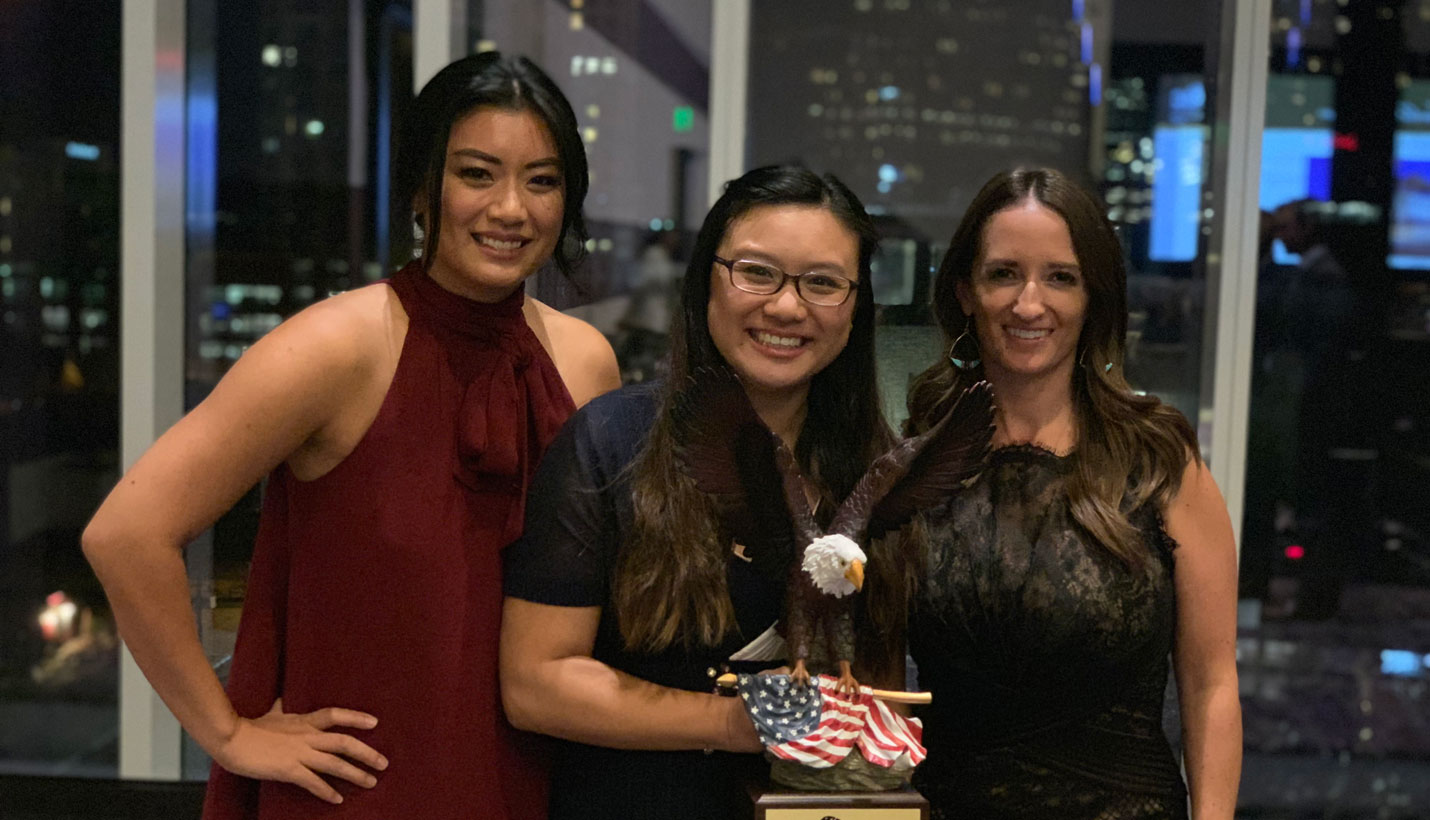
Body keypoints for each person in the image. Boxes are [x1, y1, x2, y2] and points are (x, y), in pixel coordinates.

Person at [80, 52, 619, 819]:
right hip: (360, 786)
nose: (511, 209)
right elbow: (127, 533)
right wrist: (229, 735)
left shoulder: (583, 359)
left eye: (542, 180)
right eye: (476, 174)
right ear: (419, 191)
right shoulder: (337, 345)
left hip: (538, 777)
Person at [500, 165, 909, 819]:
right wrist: (732, 723)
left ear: (857, 306)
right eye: (756, 272)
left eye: (823, 283)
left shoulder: (871, 471)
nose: (785, 306)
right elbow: (535, 683)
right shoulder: (609, 444)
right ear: (705, 281)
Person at [903, 167, 1241, 819]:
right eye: (1004, 273)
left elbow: (1211, 686)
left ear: (1094, 298)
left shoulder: (1160, 457)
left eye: (1061, 277)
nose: (1030, 304)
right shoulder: (917, 462)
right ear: (965, 292)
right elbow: (883, 691)